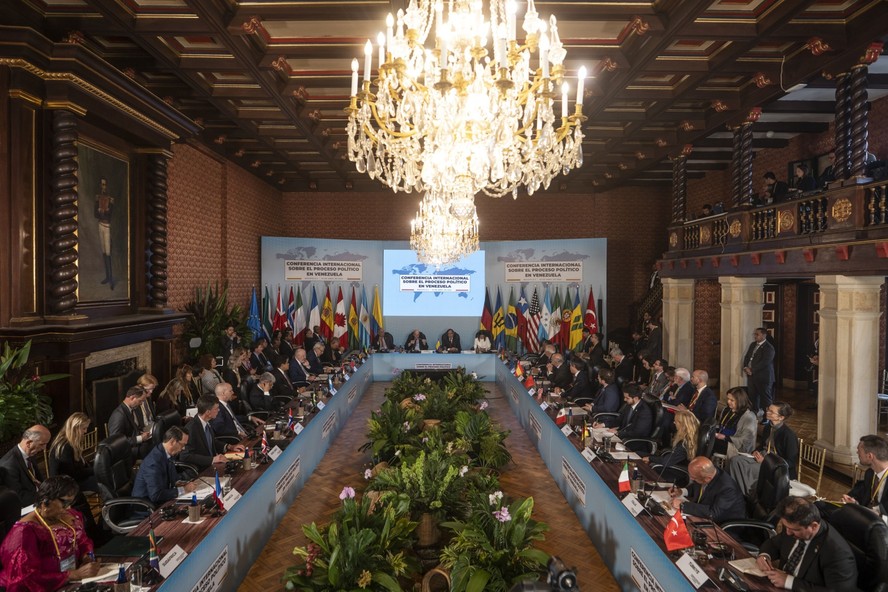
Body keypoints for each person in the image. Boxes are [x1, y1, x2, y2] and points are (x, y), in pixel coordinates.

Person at [0, 475, 101, 591]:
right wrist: (71, 575)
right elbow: (25, 580)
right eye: (64, 502)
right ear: (45, 502)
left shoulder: (68, 516)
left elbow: (82, 540)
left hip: (71, 580)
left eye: (71, 502)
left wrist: (87, 556)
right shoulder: (24, 533)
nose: (68, 508)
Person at [756, 497, 858, 592]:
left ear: (813, 526)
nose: (788, 533)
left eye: (794, 530)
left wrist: (789, 582)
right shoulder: (792, 526)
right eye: (786, 527)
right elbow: (774, 543)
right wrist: (764, 556)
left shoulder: (837, 553)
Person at [728, 401, 799, 496]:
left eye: (771, 412)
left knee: (748, 468)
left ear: (781, 417)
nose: (767, 412)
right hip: (762, 458)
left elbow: (790, 462)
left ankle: (750, 495)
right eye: (768, 409)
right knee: (735, 460)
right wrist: (755, 451)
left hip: (775, 467)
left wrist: (766, 462)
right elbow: (762, 446)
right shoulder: (767, 427)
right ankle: (738, 491)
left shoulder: (788, 435)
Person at [132, 426, 199, 505]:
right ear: (172, 442)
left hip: (164, 502)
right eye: (182, 444)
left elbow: (172, 479)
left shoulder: (167, 454)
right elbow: (156, 495)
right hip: (147, 510)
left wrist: (181, 483)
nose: (183, 448)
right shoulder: (153, 463)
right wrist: (183, 489)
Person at [670, 456, 746, 524]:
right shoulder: (707, 472)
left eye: (693, 477)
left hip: (722, 528)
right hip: (701, 519)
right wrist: (681, 491)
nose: (691, 478)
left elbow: (713, 513)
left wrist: (683, 506)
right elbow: (697, 487)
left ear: (708, 478)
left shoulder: (727, 488)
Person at [181, 395, 244, 471]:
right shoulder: (191, 429)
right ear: (208, 412)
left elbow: (211, 441)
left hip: (215, 464)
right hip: (202, 469)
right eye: (216, 409)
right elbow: (185, 456)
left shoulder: (207, 422)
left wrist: (229, 447)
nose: (219, 410)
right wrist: (212, 459)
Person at [0, 425, 51, 507]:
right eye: (42, 444)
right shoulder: (9, 465)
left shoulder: (30, 453)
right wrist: (47, 498)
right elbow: (19, 497)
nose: (44, 448)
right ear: (29, 443)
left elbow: (38, 480)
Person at [48, 413, 97, 495]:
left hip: (73, 480)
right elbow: (72, 474)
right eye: (84, 428)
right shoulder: (65, 446)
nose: (86, 431)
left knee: (105, 478)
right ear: (75, 428)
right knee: (104, 481)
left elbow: (79, 467)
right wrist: (95, 470)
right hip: (65, 485)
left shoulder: (71, 441)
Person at [594, 384, 654, 451]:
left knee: (604, 447)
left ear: (636, 398)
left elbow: (637, 433)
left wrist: (618, 432)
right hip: (623, 438)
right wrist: (603, 425)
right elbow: (618, 420)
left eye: (627, 398)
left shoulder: (644, 412)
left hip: (633, 442)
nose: (624, 399)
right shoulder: (629, 405)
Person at [843, 434, 888, 515]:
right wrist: (855, 503)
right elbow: (865, 500)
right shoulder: (870, 473)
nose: (857, 452)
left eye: (859, 450)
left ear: (870, 456)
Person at [107, 386, 152, 459]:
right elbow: (116, 441)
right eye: (140, 401)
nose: (141, 404)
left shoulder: (132, 409)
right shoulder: (118, 415)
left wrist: (141, 434)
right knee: (150, 449)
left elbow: (132, 430)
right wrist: (140, 438)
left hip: (134, 445)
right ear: (132, 398)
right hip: (127, 451)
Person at [713, 387, 757, 456]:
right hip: (721, 439)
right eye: (728, 399)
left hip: (736, 446)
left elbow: (746, 440)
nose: (728, 402)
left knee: (710, 443)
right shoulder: (726, 410)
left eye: (732, 400)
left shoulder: (749, 416)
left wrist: (725, 437)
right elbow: (721, 425)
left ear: (740, 400)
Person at [742, 327, 775, 417]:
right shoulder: (753, 344)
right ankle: (754, 414)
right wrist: (745, 367)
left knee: (765, 398)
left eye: (757, 334)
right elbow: (747, 357)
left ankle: (767, 417)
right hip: (751, 376)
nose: (755, 336)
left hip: (763, 377)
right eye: (754, 334)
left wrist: (752, 370)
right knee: (753, 396)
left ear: (764, 335)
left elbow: (765, 362)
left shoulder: (769, 348)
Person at [94, 176, 116, 289]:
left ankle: (111, 278)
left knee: (108, 252)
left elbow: (109, 215)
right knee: (103, 251)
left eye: (104, 184)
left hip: (107, 227)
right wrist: (102, 212)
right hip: (100, 226)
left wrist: (102, 212)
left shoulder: (110, 198)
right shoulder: (98, 198)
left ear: (107, 186)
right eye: (101, 184)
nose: (103, 187)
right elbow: (95, 214)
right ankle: (107, 276)